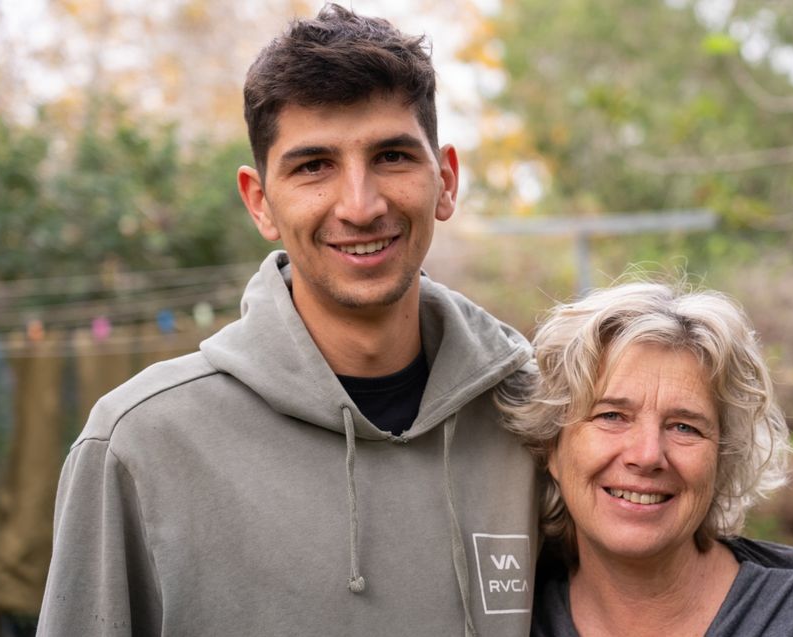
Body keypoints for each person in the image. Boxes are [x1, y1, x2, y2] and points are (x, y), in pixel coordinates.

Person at [37, 5, 538, 635]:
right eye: (313, 166)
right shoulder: (137, 445)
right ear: (259, 202)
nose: (361, 205)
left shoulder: (541, 424)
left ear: (446, 181)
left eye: (392, 156)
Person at [498, 282, 793, 637]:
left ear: (723, 456)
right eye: (612, 416)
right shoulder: (505, 618)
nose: (648, 455)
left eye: (684, 427)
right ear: (552, 445)